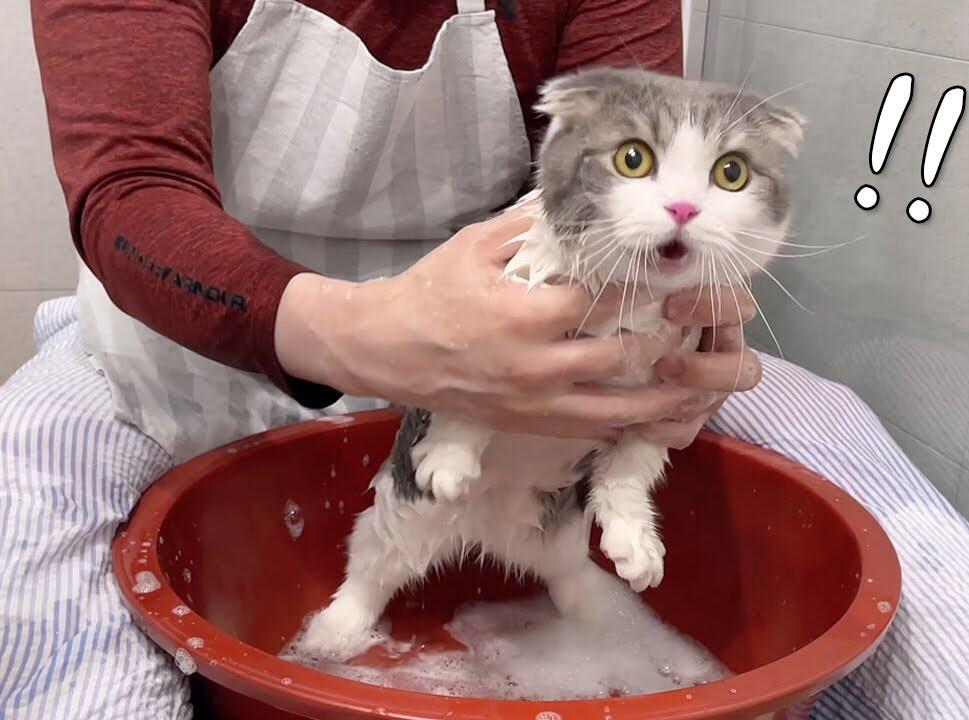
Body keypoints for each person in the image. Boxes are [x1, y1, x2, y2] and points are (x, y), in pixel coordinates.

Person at [2, 1, 759, 717]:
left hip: (527, 337)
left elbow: (625, 168)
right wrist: (371, 333)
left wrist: (679, 319)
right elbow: (132, 188)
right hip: (180, 340)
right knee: (25, 515)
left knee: (828, 453)